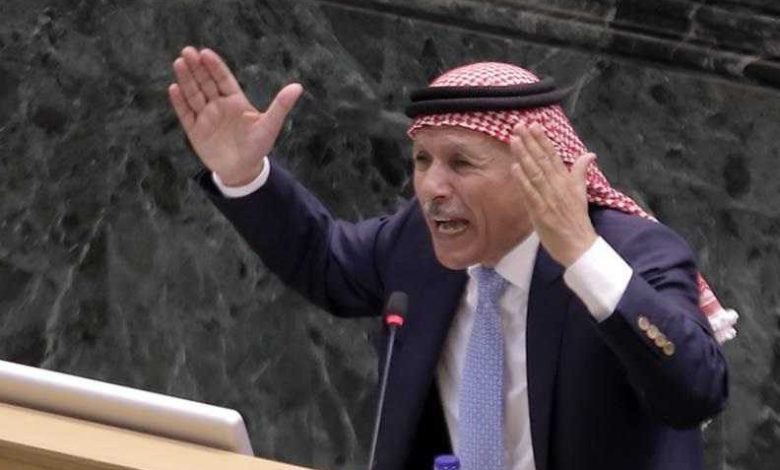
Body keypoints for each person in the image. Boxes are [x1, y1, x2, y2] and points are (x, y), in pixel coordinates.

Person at [168, 46, 729, 470]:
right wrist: (243, 174)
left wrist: (583, 258)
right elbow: (325, 260)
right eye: (422, 160)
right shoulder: (416, 243)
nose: (432, 188)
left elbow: (695, 392)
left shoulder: (628, 252)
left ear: (535, 171)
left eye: (461, 163)